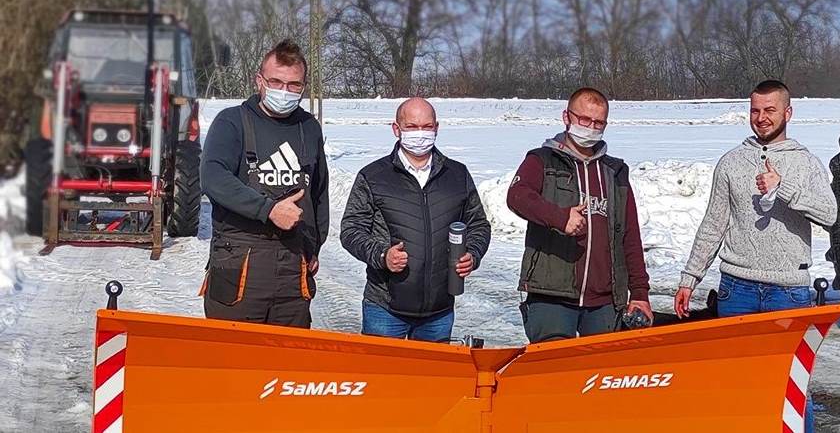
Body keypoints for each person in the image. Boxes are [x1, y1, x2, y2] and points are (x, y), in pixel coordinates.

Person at [674, 79, 837, 433]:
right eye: (755, 110)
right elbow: (713, 225)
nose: (761, 118)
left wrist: (785, 190)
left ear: (787, 113)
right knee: (734, 383)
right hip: (738, 288)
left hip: (788, 291)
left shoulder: (805, 163)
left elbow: (830, 214)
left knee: (790, 387)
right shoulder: (732, 162)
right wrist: (690, 278)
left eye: (770, 110)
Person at [199, 39, 329, 328]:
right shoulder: (232, 122)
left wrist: (315, 245)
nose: (284, 91)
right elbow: (213, 178)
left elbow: (319, 192)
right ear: (260, 80)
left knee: (287, 362)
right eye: (276, 81)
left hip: (293, 265)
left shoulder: (309, 128)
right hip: (241, 261)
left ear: (304, 86)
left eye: (294, 85)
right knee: (234, 359)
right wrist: (267, 210)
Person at [340, 97, 491, 342]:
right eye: (411, 127)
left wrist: (472, 254)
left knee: (431, 380)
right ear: (396, 129)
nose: (420, 133)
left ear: (437, 128)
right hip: (385, 309)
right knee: (383, 379)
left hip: (439, 311)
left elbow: (478, 224)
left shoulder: (457, 175)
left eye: (427, 126)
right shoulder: (373, 176)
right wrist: (382, 255)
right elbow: (351, 230)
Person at [507, 87, 651, 342]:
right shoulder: (543, 160)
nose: (591, 128)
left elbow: (629, 235)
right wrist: (560, 218)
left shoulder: (615, 171)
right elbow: (517, 196)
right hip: (552, 296)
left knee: (600, 374)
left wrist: (639, 293)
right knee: (555, 373)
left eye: (599, 123)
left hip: (604, 301)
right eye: (584, 120)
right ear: (567, 117)